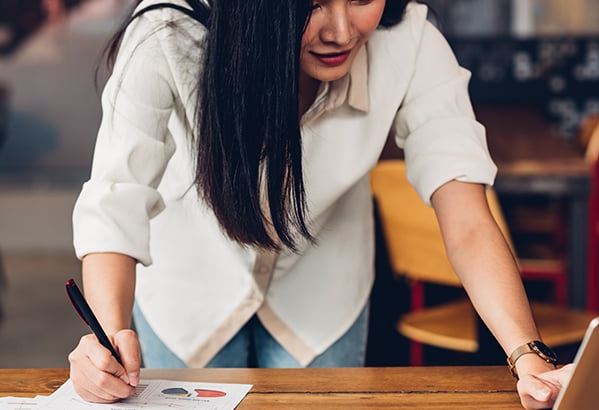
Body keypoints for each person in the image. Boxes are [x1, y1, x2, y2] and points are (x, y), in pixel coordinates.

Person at [69, 0, 571, 408]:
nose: (341, 31)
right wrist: (108, 341)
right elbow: (116, 201)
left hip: (324, 295)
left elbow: (466, 220)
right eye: (310, 6)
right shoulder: (167, 37)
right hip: (189, 293)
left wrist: (528, 356)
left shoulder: (411, 41)